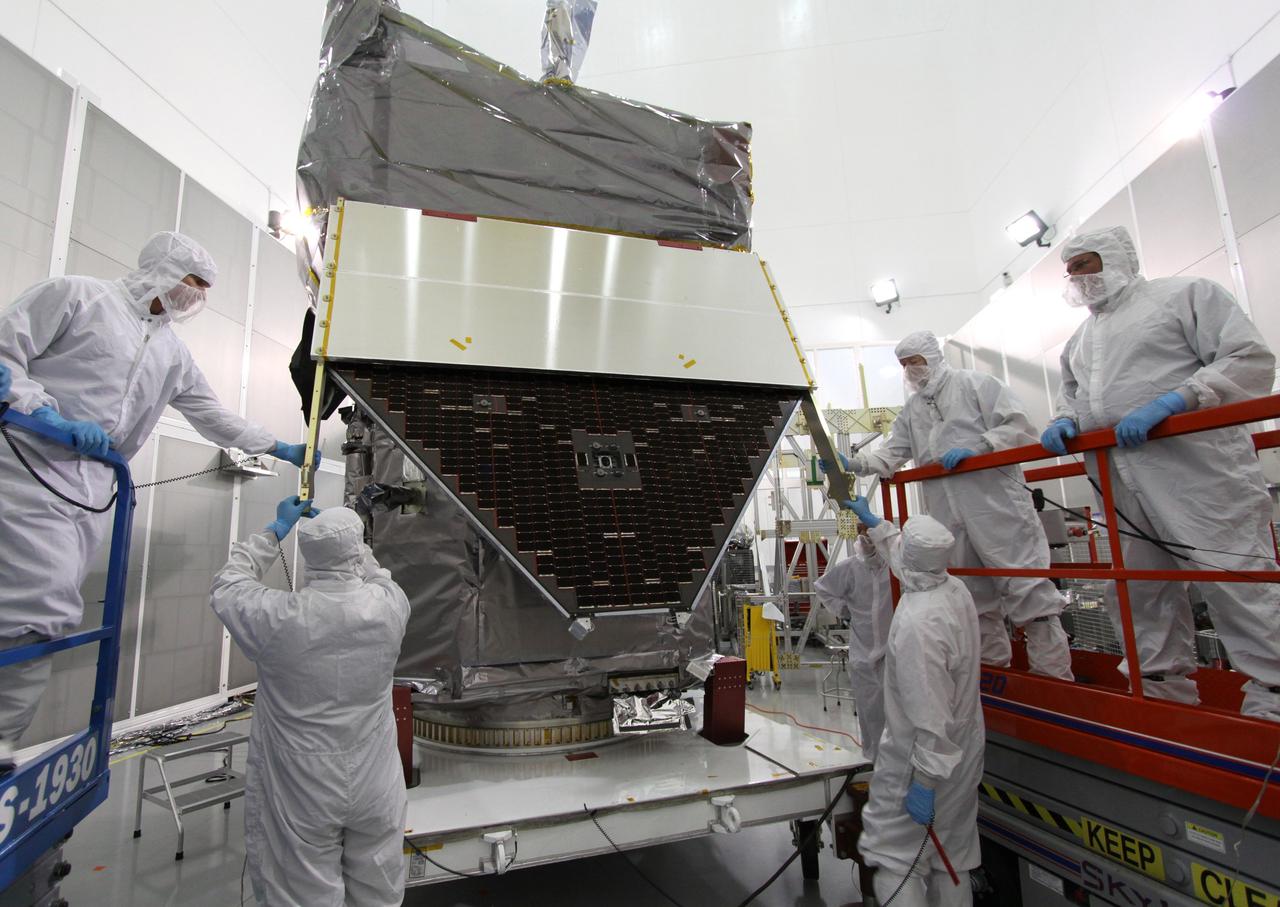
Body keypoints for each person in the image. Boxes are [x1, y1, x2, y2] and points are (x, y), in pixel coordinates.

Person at [0, 232, 312, 757]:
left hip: (94, 483)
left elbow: (211, 415)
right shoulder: (78, 296)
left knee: (47, 608)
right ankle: (3, 739)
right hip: (30, 461)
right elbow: (6, 354)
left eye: (205, 288)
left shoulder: (172, 352)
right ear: (163, 269)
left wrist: (279, 446)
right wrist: (44, 414)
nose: (197, 295)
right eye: (193, 281)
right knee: (35, 606)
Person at [1042, 226, 1280, 720]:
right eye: (1070, 270)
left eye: (1084, 264)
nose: (1076, 277)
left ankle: (1274, 694)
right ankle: (1160, 688)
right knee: (1140, 586)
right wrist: (1064, 417)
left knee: (1232, 574)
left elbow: (1248, 358)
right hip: (1123, 479)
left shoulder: (1185, 296)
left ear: (1114, 258)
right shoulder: (1080, 340)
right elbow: (1071, 391)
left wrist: (1180, 400)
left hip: (1198, 471)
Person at [824, 330, 1073, 680]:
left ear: (934, 357)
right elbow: (894, 451)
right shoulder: (912, 410)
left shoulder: (977, 385)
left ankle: (1054, 682)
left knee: (1029, 593)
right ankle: (991, 679)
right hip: (948, 518)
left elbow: (1019, 425)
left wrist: (982, 446)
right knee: (974, 602)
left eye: (916, 361)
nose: (911, 369)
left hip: (997, 509)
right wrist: (854, 464)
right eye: (904, 364)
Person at [211, 500, 410, 907]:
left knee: (303, 890)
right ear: (357, 550)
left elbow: (228, 585)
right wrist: (347, 536)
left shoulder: (278, 618)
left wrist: (276, 530)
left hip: (302, 788)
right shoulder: (390, 606)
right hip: (375, 779)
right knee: (378, 889)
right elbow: (376, 572)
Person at [845, 497, 982, 907]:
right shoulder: (953, 589)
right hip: (964, 749)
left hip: (921, 760)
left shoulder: (917, 626)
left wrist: (923, 784)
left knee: (896, 862)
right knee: (951, 857)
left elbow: (929, 714)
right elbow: (908, 561)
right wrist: (876, 525)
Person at [814, 524, 894, 761]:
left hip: (895, 648)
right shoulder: (850, 567)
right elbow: (822, 588)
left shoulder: (894, 568)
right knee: (871, 710)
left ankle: (901, 763)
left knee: (900, 711)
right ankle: (874, 758)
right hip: (864, 650)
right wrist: (843, 609)